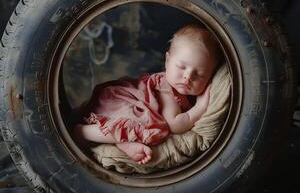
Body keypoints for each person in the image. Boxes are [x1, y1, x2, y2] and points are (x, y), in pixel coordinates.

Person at [73, 24, 221, 165]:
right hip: (123, 101)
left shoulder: (182, 87)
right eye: (181, 67)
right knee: (154, 127)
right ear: (168, 60)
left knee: (138, 127)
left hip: (125, 103)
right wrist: (200, 107)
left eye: (200, 75)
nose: (188, 77)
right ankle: (83, 132)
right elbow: (175, 124)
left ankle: (122, 143)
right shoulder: (166, 86)